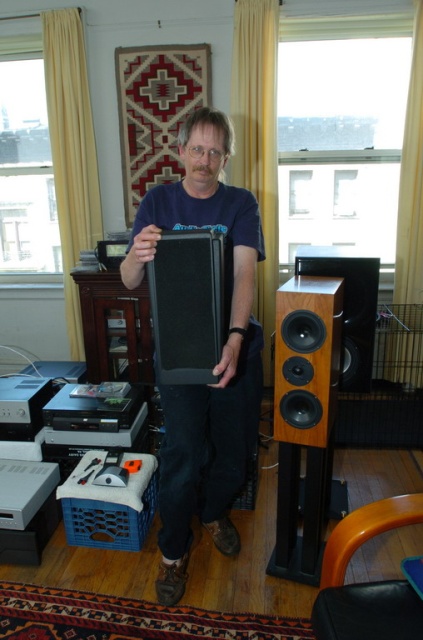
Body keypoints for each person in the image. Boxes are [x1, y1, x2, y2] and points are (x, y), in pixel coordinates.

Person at [120, 106, 265, 606]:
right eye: (197, 149)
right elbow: (130, 280)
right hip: (180, 353)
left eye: (215, 152)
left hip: (234, 347)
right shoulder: (157, 201)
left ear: (226, 157)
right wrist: (135, 253)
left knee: (233, 453)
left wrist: (235, 338)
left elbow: (244, 272)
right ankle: (173, 550)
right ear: (180, 150)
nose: (205, 160)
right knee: (182, 455)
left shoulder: (240, 203)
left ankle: (213, 512)